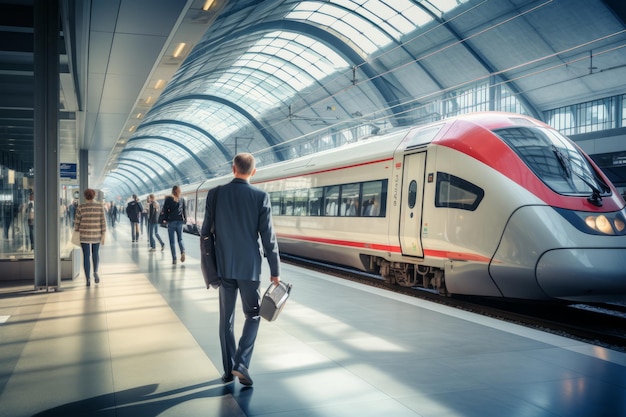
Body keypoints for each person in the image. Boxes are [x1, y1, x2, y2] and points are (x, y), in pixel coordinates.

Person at [200, 152, 280, 386]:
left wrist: (211, 261)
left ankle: (228, 370)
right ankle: (241, 363)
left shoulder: (215, 194)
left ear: (233, 168)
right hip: (250, 268)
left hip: (223, 267)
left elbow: (206, 232)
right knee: (253, 315)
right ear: (253, 172)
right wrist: (275, 269)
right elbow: (268, 237)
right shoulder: (260, 196)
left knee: (226, 320)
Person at [74, 188, 106, 286]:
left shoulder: (81, 207)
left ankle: (88, 279)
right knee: (95, 253)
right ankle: (95, 272)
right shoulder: (100, 206)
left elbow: (77, 222)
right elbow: (103, 221)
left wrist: (76, 230)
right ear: (94, 196)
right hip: (96, 234)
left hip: (84, 235)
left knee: (86, 256)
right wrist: (103, 232)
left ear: (85, 196)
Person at [161, 185, 187, 264]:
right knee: (180, 239)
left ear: (172, 190)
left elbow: (165, 210)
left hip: (171, 221)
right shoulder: (182, 199)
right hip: (179, 221)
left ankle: (174, 259)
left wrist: (164, 219)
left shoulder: (169, 198)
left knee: (172, 241)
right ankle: (182, 251)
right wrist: (185, 219)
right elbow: (184, 210)